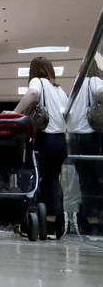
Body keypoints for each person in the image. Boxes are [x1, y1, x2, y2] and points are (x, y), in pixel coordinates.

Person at [12, 56, 69, 237]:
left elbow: (33, 94)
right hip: (61, 141)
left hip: (45, 139)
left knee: (32, 179)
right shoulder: (60, 91)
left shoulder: (38, 82)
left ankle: (31, 221)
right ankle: (52, 224)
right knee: (52, 181)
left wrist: (15, 113)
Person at [66, 61, 103, 235]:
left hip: (75, 138)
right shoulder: (95, 80)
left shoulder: (76, 86)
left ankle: (88, 221)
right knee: (97, 180)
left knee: (85, 182)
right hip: (91, 135)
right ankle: (96, 221)